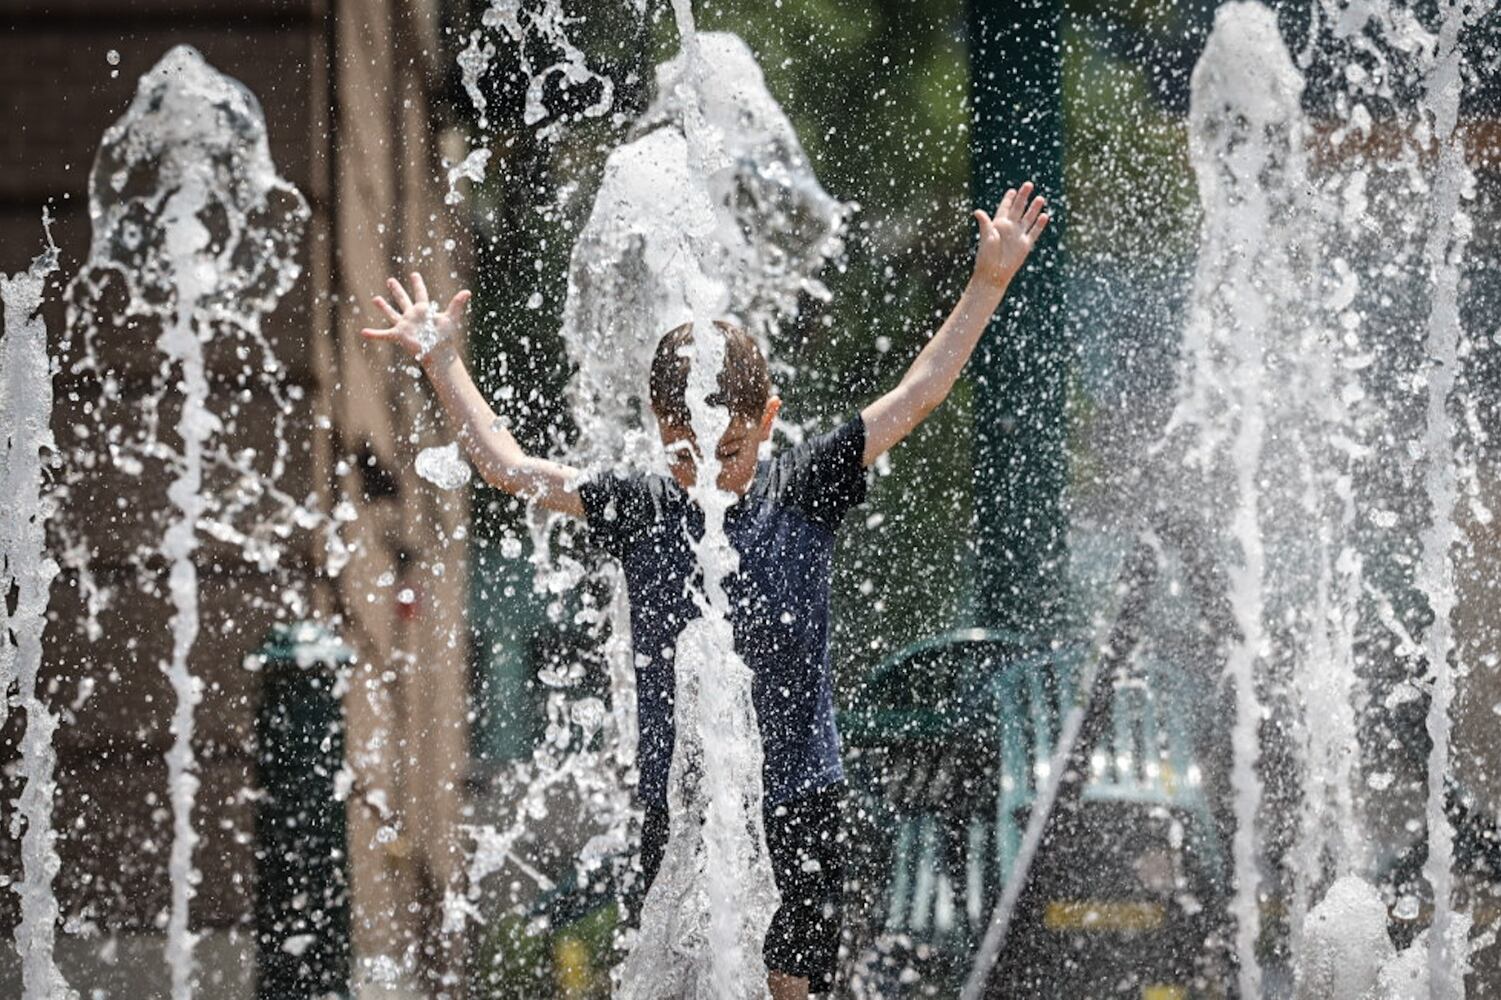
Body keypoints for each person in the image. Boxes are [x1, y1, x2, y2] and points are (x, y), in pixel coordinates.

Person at [359, 182, 1050, 999]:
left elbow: (916, 395)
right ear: (657, 427)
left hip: (799, 802)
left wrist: (988, 283)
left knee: (788, 989)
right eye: (683, 451)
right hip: (676, 808)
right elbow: (510, 469)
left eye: (729, 451)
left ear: (766, 421)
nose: (707, 474)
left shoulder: (804, 491)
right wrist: (441, 358)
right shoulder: (641, 508)